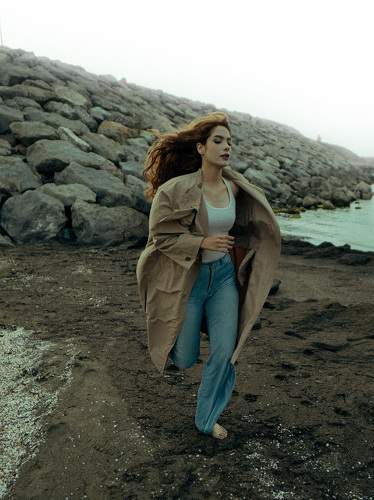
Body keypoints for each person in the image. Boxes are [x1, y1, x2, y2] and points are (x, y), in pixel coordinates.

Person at [136, 112, 281, 440]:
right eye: (218, 141)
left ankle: (206, 419)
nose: (226, 146)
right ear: (201, 148)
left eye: (229, 142)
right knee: (186, 357)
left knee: (225, 351)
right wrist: (201, 242)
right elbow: (161, 236)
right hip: (191, 280)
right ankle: (178, 343)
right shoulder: (176, 189)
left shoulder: (235, 188)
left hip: (224, 278)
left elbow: (247, 225)